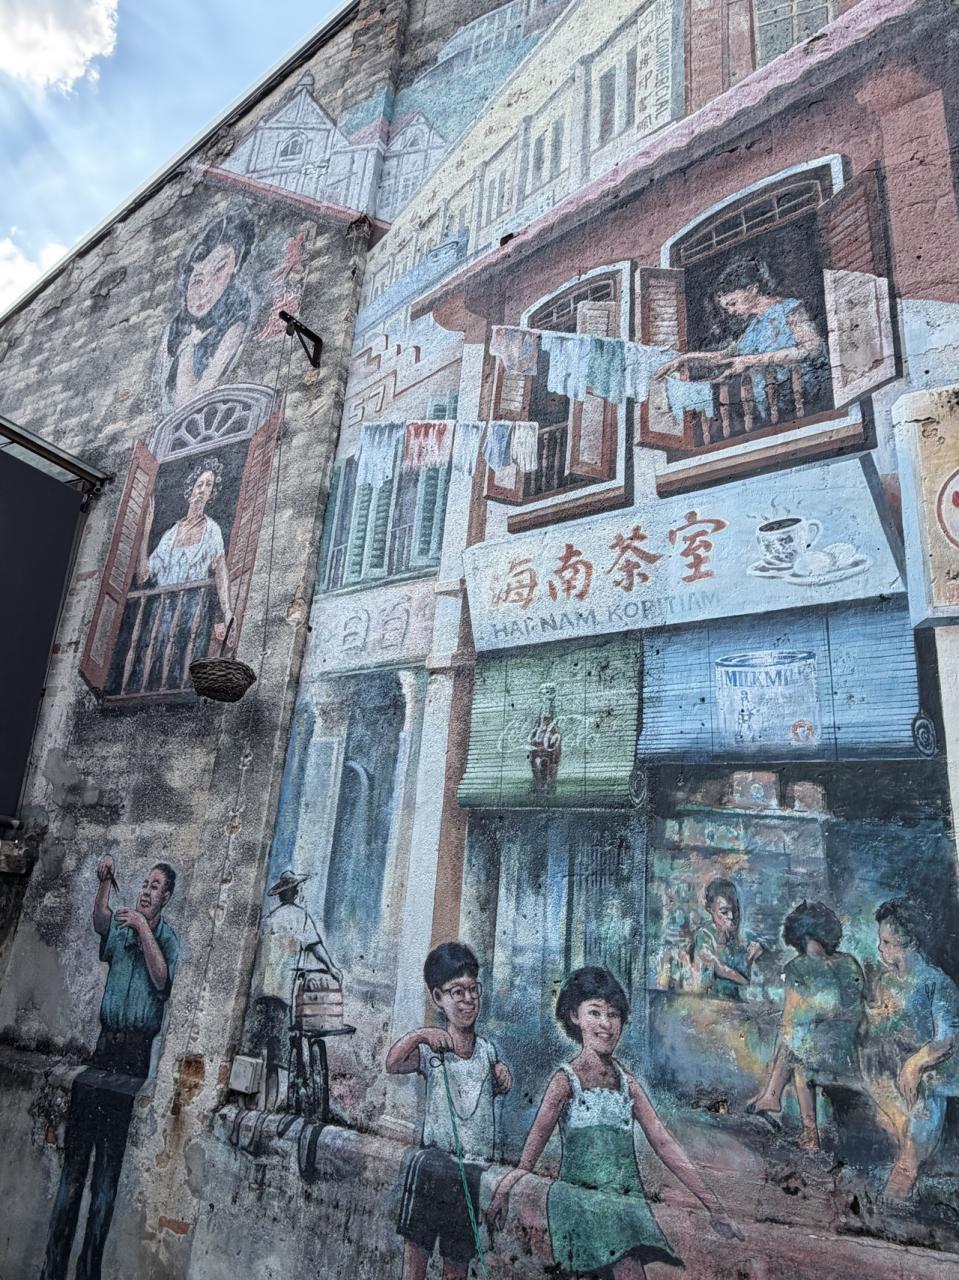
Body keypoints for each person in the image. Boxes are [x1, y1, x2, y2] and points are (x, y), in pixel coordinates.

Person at [487, 967, 741, 1278]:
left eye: (613, 1015)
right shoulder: (565, 1081)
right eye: (594, 1013)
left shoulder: (627, 1084)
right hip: (581, 1207)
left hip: (624, 1209)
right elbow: (529, 1157)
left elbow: (664, 1143)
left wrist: (714, 1206)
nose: (606, 1024)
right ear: (575, 1016)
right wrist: (503, 1190)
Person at [42, 857, 178, 1280]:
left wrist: (143, 928)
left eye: (155, 887)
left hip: (134, 1060)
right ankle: (52, 1268)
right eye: (145, 884)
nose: (146, 891)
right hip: (102, 1053)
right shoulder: (122, 927)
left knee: (105, 1180)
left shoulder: (166, 938)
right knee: (72, 1172)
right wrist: (104, 883)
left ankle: (88, 1272)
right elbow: (101, 922)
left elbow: (161, 980)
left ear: (166, 897)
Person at [386, 941, 511, 1280]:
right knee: (416, 1261)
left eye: (473, 990)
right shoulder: (433, 1052)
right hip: (432, 1166)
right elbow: (393, 1063)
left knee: (457, 1265)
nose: (468, 999)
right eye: (457, 992)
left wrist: (502, 1075)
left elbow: (499, 1082)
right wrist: (420, 1035)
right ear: (438, 997)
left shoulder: (487, 1052)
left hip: (472, 1172)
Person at [747, 901, 865, 1151]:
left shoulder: (797, 968)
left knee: (795, 1046)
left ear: (799, 935)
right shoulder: (849, 962)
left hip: (824, 1054)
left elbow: (791, 1017)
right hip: (849, 1047)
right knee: (800, 1041)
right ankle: (771, 1096)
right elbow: (852, 1008)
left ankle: (805, 1128)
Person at [113, 456, 233, 695]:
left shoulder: (212, 530)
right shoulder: (170, 534)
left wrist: (227, 609)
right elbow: (143, 575)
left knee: (182, 659)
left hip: (192, 611)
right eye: (199, 484)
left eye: (209, 485)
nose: (203, 489)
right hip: (161, 612)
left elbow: (220, 570)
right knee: (154, 656)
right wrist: (145, 533)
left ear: (212, 493)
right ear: (190, 490)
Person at [864, 898, 959, 1201]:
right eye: (880, 941)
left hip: (934, 1071)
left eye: (887, 942)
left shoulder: (936, 982)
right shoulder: (886, 982)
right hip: (896, 1069)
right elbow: (883, 1031)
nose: (880, 948)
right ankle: (900, 1184)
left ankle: (900, 1186)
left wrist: (915, 1063)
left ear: (912, 942)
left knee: (924, 1096)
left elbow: (946, 1041)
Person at [656, 257, 828, 424]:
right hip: (770, 406)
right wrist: (683, 359)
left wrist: (749, 361)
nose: (731, 311)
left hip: (803, 397)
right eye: (727, 307)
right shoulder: (753, 328)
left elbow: (813, 348)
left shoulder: (789, 309)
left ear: (752, 289)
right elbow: (722, 356)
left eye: (733, 303)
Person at [247, 869, 339, 1110]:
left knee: (258, 1051)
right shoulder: (299, 917)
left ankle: (253, 1105)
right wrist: (331, 968)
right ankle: (271, 1106)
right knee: (278, 1056)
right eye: (295, 889)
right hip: (281, 995)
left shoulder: (269, 920)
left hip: (260, 994)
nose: (296, 891)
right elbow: (315, 946)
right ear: (293, 892)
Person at [157, 204, 256, 414]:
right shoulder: (174, 329)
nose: (205, 291)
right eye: (197, 280)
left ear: (234, 270)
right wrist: (187, 345)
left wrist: (188, 348)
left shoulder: (235, 316)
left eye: (219, 270)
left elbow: (193, 403)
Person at [691, 879, 762, 1001]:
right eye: (724, 912)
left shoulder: (736, 936)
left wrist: (751, 957)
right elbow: (719, 968)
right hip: (712, 1000)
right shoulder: (704, 935)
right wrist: (746, 983)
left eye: (734, 910)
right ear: (710, 909)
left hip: (737, 998)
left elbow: (744, 968)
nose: (731, 916)